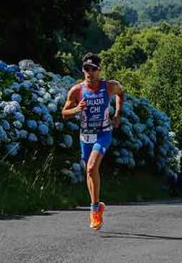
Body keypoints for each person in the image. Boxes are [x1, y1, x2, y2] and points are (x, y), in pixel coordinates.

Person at [62, 53, 124, 230]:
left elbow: (121, 94)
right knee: (89, 172)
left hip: (103, 133)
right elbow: (64, 113)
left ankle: (94, 209)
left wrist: (118, 113)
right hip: (85, 135)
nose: (90, 72)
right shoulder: (77, 90)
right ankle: (97, 204)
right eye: (86, 69)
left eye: (93, 69)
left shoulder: (110, 86)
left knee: (91, 167)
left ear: (99, 70)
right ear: (83, 70)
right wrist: (76, 109)